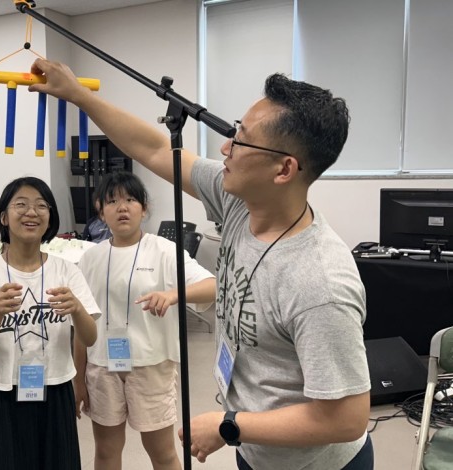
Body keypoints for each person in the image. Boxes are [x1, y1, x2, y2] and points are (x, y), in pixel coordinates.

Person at [29, 59, 371, 470]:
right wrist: (78, 95)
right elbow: (156, 149)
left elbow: (346, 419)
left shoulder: (320, 281)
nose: (226, 148)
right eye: (234, 132)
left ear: (284, 169)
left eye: (242, 141)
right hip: (258, 451)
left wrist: (230, 425)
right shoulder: (238, 202)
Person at [76, 171, 216, 470]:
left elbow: (213, 286)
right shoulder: (90, 258)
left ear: (144, 208)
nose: (122, 208)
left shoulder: (164, 250)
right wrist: (78, 378)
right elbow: (81, 322)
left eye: (130, 200)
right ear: (100, 211)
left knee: (161, 452)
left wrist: (174, 294)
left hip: (152, 365)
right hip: (102, 367)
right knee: (106, 451)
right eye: (112, 201)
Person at [0, 176, 100, 470]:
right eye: (21, 204)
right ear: (3, 217)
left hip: (57, 387)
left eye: (41, 206)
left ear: (50, 217)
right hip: (3, 392)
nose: (31, 212)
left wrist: (77, 310)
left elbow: (90, 337)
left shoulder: (67, 271)